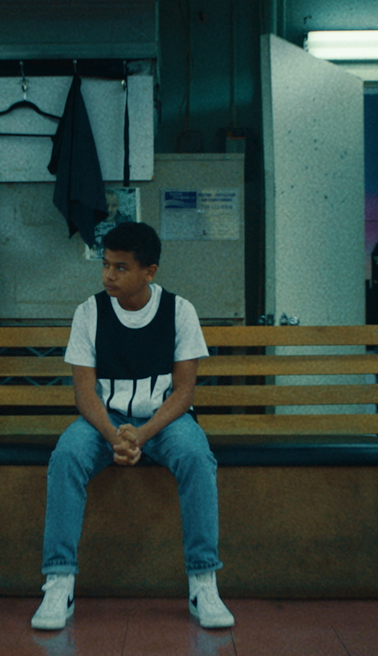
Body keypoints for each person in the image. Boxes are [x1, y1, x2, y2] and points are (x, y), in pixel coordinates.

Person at [33, 222, 234, 631]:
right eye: (105, 265)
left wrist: (140, 436)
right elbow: (85, 395)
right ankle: (59, 582)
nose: (108, 275)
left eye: (121, 267)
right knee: (67, 455)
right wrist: (114, 435)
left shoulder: (180, 311)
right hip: (103, 421)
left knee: (197, 456)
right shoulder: (89, 312)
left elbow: (183, 394)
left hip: (165, 420)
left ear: (150, 271)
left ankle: (203, 582)